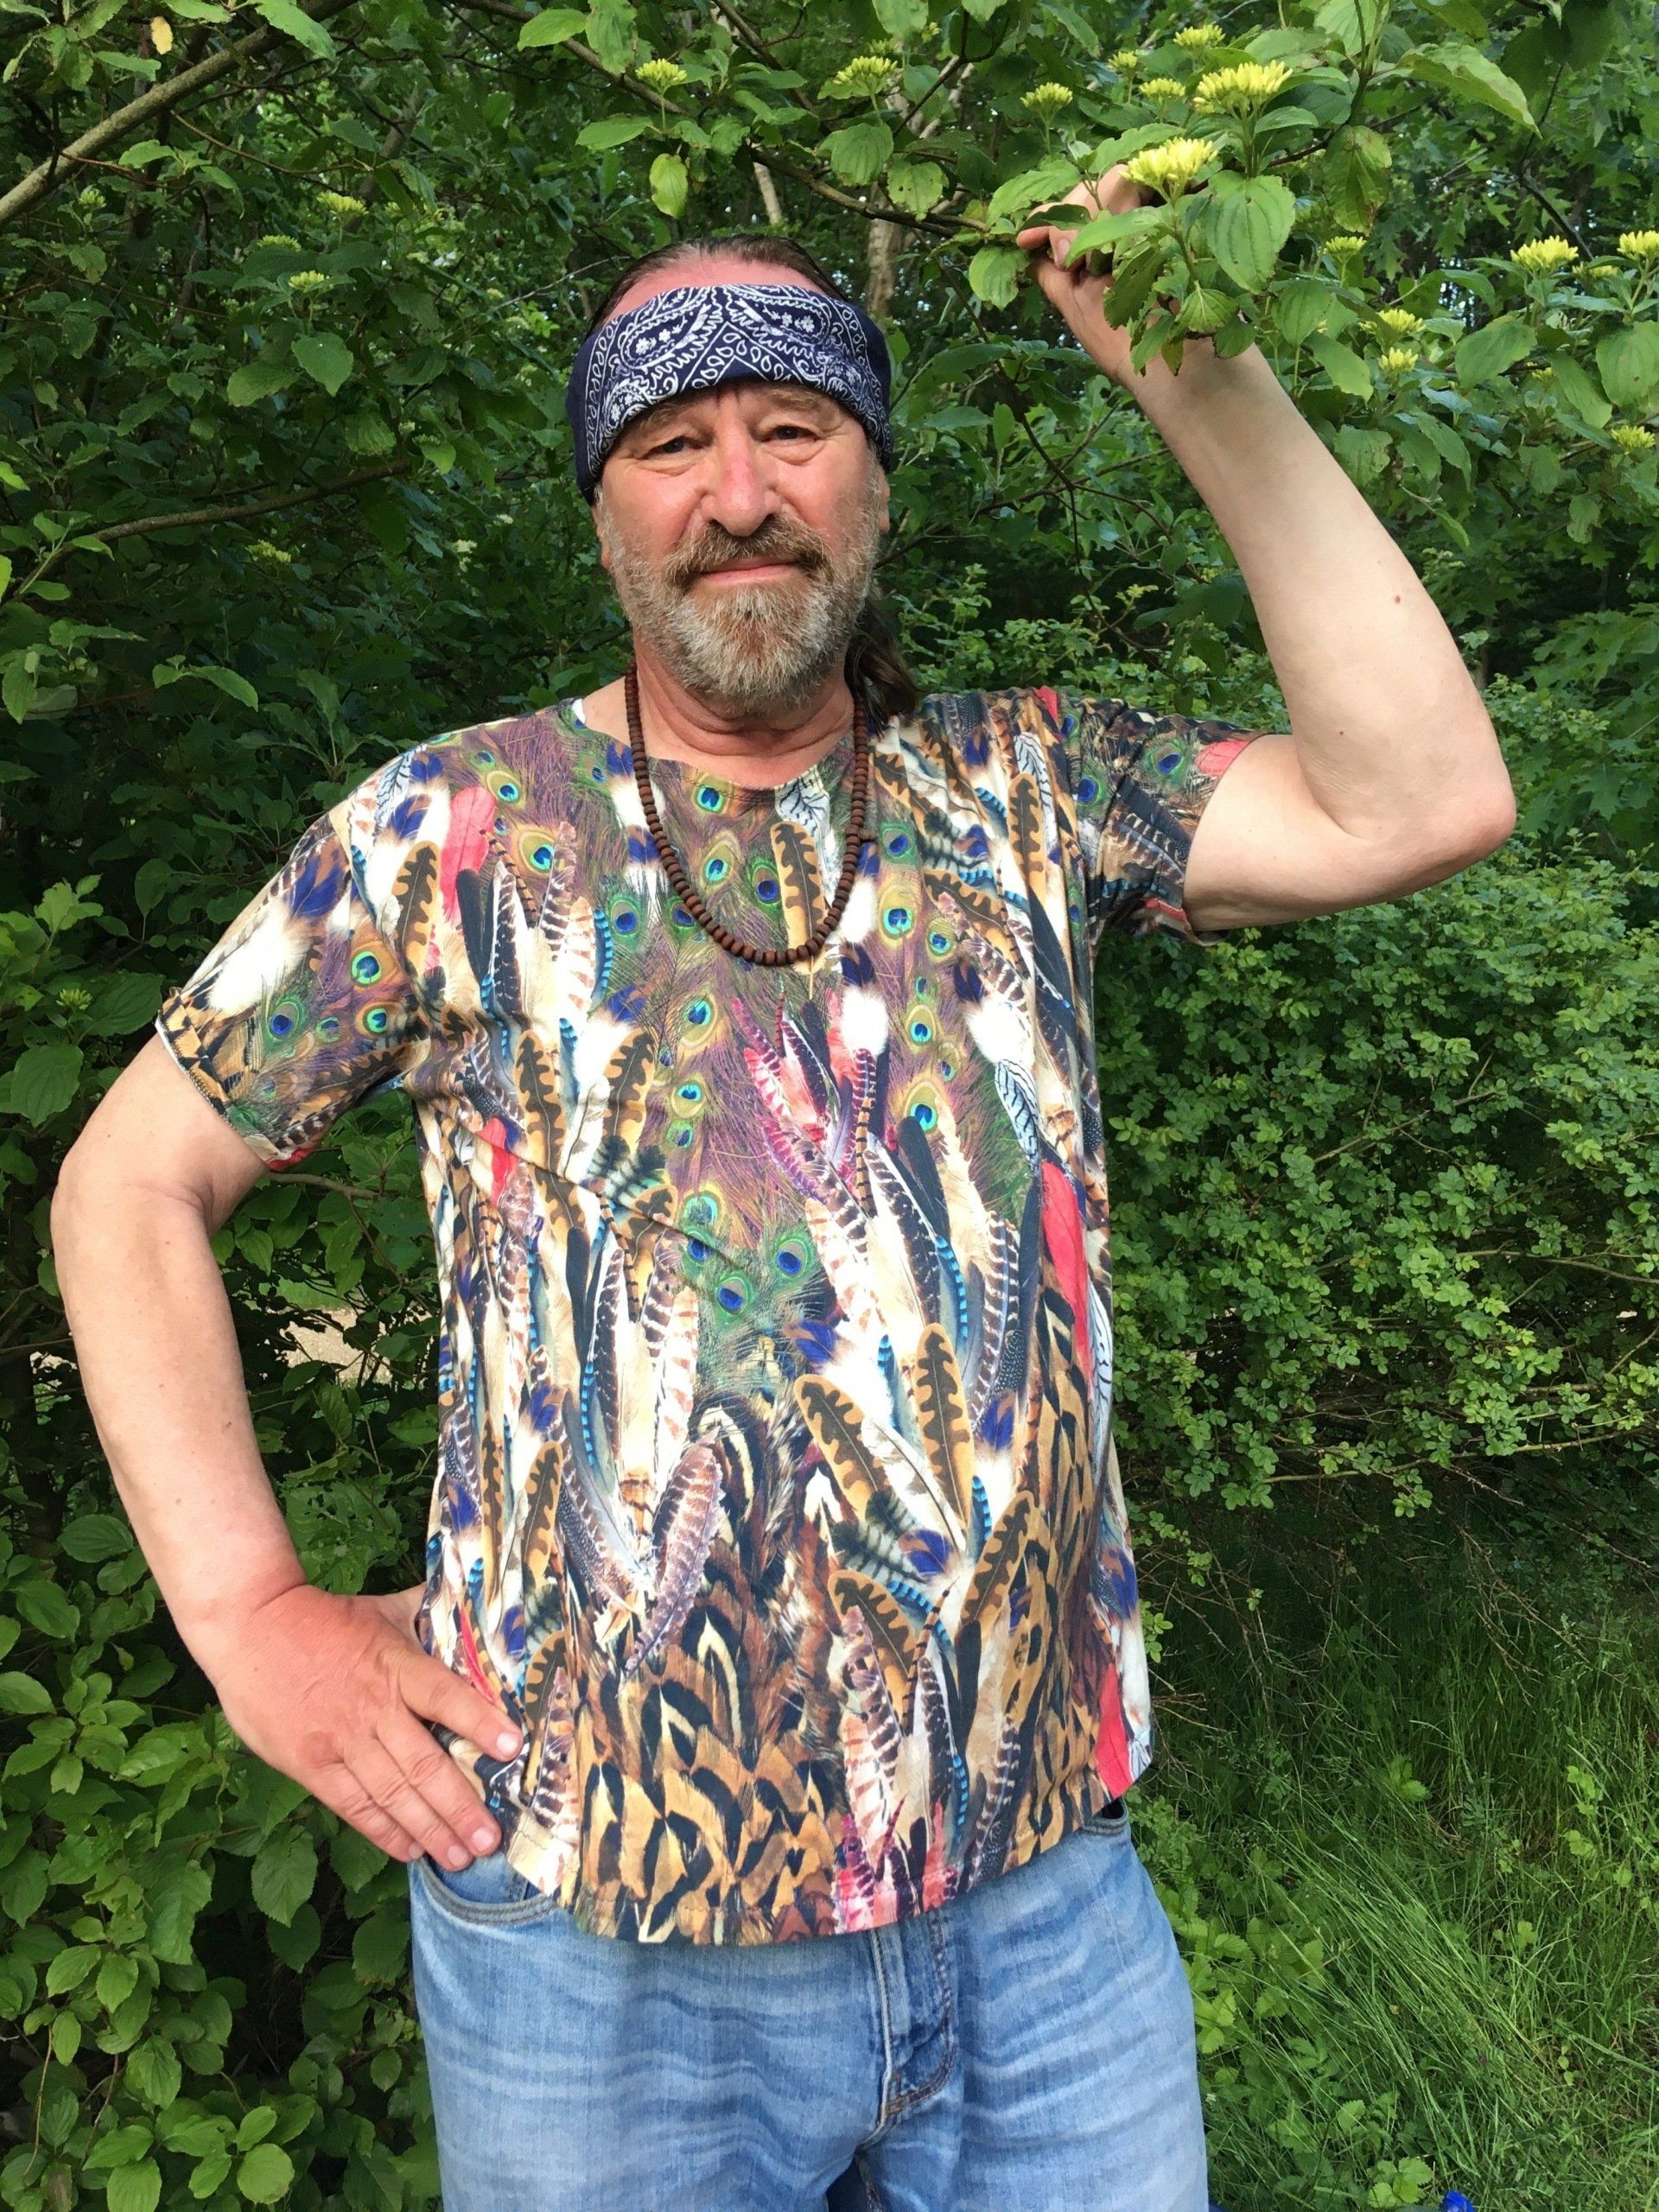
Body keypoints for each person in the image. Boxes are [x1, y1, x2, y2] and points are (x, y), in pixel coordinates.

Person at [52, 168, 1516, 2212]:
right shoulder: (451, 834)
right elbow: (128, 1183)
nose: (738, 491)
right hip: (597, 1939)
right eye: (673, 442)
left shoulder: (1028, 790)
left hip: (1037, 1908)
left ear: (876, 484)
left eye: (794, 427)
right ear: (603, 510)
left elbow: (1423, 797)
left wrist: (1199, 370)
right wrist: (251, 1616)